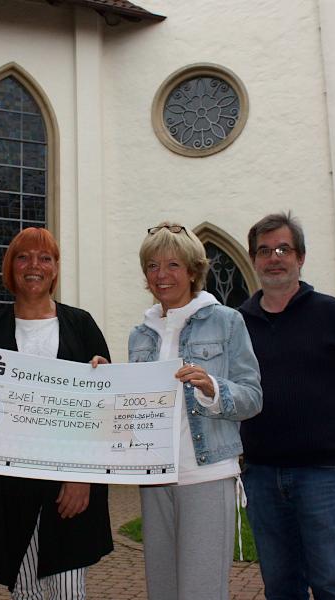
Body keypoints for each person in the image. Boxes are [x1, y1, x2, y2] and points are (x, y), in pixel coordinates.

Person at [0, 227, 112, 599]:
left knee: (67, 589)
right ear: (10, 267)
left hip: (70, 483)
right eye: (24, 257)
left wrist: (82, 479)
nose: (34, 265)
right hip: (9, 486)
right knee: (24, 590)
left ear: (55, 269)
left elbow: (102, 412)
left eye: (45, 257)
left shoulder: (81, 326)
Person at [238, 212, 335, 600]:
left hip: (322, 471)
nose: (274, 258)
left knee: (332, 582)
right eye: (264, 251)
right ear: (254, 260)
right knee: (281, 585)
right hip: (261, 473)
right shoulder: (238, 323)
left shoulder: (333, 314)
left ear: (300, 258)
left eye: (283, 249)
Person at [127, 222, 262, 600]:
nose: (161, 275)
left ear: (192, 270)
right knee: (164, 592)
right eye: (152, 266)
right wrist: (106, 382)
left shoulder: (226, 320)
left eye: (172, 265)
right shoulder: (140, 334)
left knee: (200, 592)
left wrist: (212, 388)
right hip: (155, 476)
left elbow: (253, 396)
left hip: (207, 472)